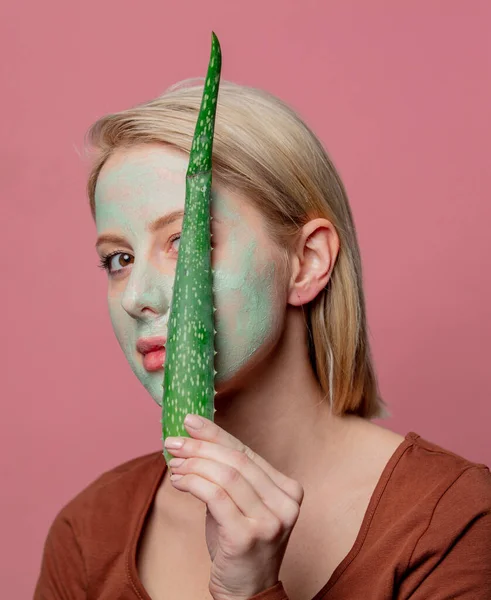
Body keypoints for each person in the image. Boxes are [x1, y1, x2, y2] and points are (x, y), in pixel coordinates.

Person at [34, 81, 491, 600]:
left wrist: (251, 590)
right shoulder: (89, 533)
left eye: (186, 241)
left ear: (307, 262)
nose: (137, 296)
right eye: (119, 258)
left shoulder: (450, 521)